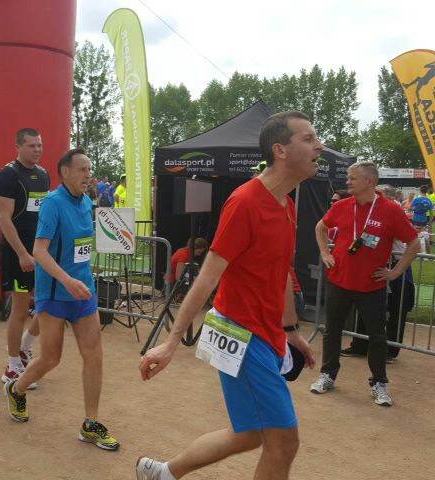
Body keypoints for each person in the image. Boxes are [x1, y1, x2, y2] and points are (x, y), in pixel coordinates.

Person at [136, 111, 319, 480]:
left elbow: (281, 272)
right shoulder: (245, 201)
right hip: (242, 333)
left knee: (250, 434)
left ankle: (163, 474)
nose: (319, 146)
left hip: (267, 334)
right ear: (280, 150)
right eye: (309, 138)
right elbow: (207, 277)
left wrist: (290, 331)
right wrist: (171, 341)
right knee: (284, 441)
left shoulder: (287, 204)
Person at [4, 147, 120, 451]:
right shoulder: (53, 203)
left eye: (90, 169)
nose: (88, 174)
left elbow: (80, 247)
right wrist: (67, 280)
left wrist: (81, 280)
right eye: (82, 169)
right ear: (65, 172)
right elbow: (39, 251)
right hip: (55, 292)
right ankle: (17, 389)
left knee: (94, 354)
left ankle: (90, 423)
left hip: (83, 291)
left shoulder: (87, 201)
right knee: (51, 358)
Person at [311, 161, 420, 407]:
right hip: (339, 280)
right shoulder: (342, 206)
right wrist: (325, 253)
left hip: (372, 286)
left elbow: (414, 243)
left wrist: (395, 272)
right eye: (348, 177)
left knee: (377, 336)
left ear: (369, 182)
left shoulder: (390, 210)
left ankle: (379, 383)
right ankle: (327, 374)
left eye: (353, 178)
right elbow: (320, 227)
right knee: (332, 331)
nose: (347, 182)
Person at [0, 128, 48, 384]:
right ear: (18, 147)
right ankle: (13, 365)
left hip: (40, 252)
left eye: (39, 145)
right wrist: (22, 254)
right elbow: (4, 218)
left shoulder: (44, 174)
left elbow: (43, 215)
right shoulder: (8, 175)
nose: (37, 149)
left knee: (49, 305)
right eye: (31, 145)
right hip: (18, 254)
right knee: (20, 308)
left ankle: (26, 346)